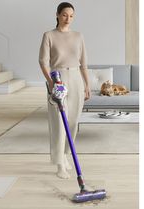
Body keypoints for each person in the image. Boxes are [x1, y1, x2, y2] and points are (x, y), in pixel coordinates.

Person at [39, 2, 91, 179]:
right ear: (57, 15)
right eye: (64, 15)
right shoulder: (49, 35)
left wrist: (87, 85)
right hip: (58, 80)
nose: (68, 19)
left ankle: (66, 155)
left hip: (76, 78)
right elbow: (43, 62)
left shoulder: (78, 36)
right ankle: (59, 164)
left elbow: (84, 64)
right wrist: (51, 83)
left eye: (71, 16)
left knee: (73, 122)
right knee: (59, 124)